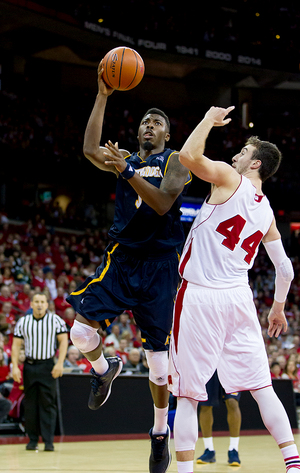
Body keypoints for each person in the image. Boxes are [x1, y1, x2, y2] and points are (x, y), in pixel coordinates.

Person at [66, 59, 191, 473]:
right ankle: (106, 369)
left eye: (157, 121)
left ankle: (159, 435)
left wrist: (128, 169)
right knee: (81, 332)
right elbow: (88, 150)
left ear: (167, 134)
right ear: (138, 132)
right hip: (121, 260)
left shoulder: (177, 161)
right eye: (145, 121)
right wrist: (103, 95)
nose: (149, 125)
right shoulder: (124, 159)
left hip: (158, 268)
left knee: (159, 363)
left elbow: (161, 203)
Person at [168, 105, 300, 473]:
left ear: (255, 164)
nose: (235, 156)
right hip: (240, 298)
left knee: (189, 395)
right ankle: (293, 464)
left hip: (200, 294)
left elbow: (188, 157)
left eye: (243, 153)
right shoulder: (268, 211)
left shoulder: (228, 177)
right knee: (262, 387)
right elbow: (285, 268)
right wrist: (277, 308)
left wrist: (208, 121)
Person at [11, 293, 68, 451]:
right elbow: (15, 346)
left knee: (48, 404)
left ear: (47, 304)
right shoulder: (23, 322)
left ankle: (48, 441)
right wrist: (15, 366)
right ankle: (32, 440)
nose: (39, 304)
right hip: (29, 365)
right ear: (31, 304)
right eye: (36, 301)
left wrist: (60, 363)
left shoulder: (55, 320)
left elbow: (63, 341)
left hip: (48, 365)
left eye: (42, 302)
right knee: (30, 404)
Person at [196, 371, 241, 466]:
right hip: (209, 365)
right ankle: (209, 449)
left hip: (229, 364)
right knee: (205, 404)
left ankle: (234, 449)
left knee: (232, 402)